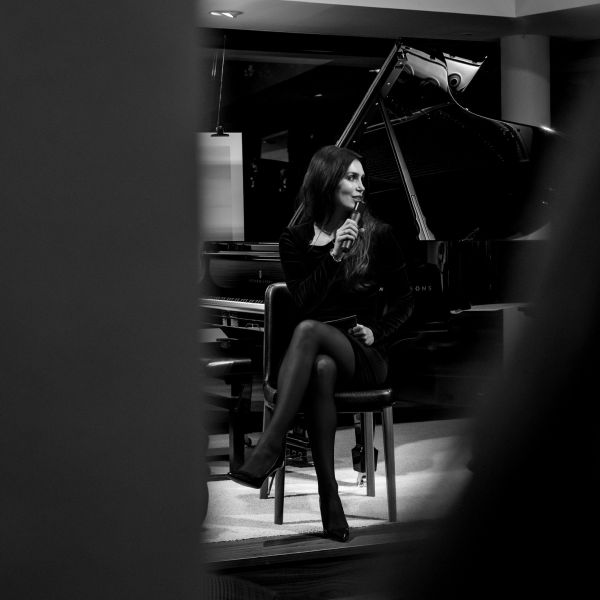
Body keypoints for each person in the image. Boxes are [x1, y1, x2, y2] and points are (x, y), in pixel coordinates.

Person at [227, 145, 414, 542]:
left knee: (310, 331)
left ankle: (270, 446)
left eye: (363, 179)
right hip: (313, 358)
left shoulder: (379, 235)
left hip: (363, 355)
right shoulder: (294, 239)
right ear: (327, 182)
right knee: (320, 365)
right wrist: (333, 256)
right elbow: (302, 304)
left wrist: (378, 331)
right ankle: (330, 498)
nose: (361, 186)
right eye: (352, 177)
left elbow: (405, 301)